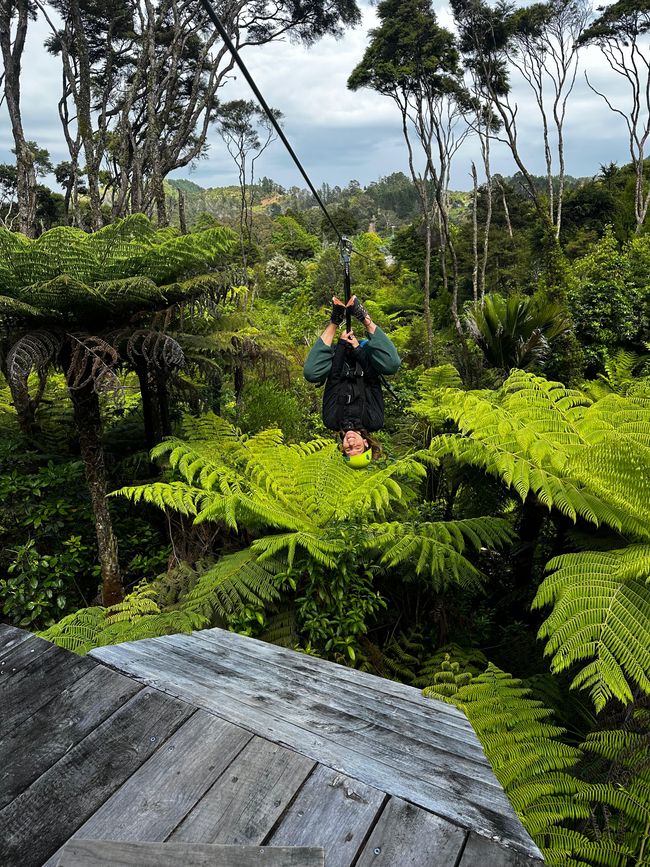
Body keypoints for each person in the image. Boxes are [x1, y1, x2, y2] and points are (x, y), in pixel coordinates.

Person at [303, 295, 401, 467]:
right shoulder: (374, 420)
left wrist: (341, 345)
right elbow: (372, 380)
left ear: (342, 447)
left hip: (338, 358)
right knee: (392, 364)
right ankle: (363, 316)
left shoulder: (331, 420)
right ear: (366, 443)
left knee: (311, 373)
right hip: (363, 355)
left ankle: (336, 319)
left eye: (348, 449)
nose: (351, 444)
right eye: (357, 448)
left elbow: (333, 380)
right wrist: (356, 348)